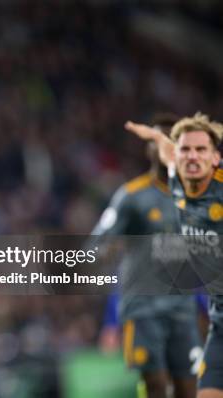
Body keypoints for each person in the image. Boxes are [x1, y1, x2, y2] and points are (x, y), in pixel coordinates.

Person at [93, 115, 201, 398]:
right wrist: (111, 321)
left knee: (187, 389)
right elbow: (96, 246)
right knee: (154, 384)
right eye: (157, 139)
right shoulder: (131, 197)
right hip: (143, 310)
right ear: (148, 149)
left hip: (184, 310)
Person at [126, 113, 222, 398]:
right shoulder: (179, 181)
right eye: (184, 149)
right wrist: (156, 137)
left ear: (215, 157)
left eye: (201, 150)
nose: (191, 157)